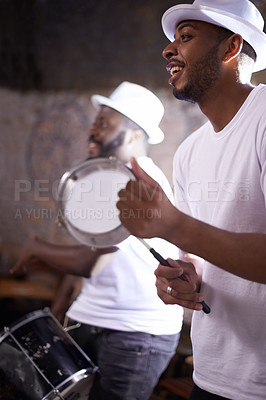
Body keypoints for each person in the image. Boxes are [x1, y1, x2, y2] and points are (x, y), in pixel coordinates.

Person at [116, 1, 266, 400]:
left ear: (231, 48)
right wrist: (183, 277)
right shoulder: (189, 151)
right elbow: (201, 257)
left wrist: (174, 224)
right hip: (212, 374)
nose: (168, 49)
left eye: (185, 37)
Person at [11, 81, 184, 400]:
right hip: (90, 319)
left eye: (104, 123)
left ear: (134, 134)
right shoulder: (103, 176)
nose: (93, 130)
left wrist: (36, 247)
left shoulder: (138, 183)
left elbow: (89, 261)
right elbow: (89, 251)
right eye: (94, 122)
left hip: (134, 335)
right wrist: (62, 307)